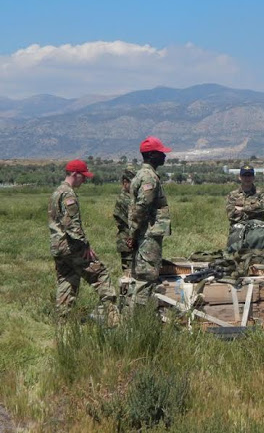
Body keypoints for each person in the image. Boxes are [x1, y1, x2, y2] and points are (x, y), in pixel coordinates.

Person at [47, 159, 118, 322]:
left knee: (67, 281)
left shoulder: (56, 192)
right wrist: (85, 245)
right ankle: (112, 317)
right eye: (83, 176)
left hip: (58, 247)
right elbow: (72, 224)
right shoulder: (68, 194)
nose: (84, 180)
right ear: (74, 174)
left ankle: (62, 322)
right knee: (100, 274)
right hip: (71, 246)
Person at [126, 137, 172, 307]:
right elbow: (142, 207)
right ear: (152, 155)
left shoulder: (143, 174)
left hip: (144, 233)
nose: (164, 156)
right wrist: (133, 233)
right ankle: (139, 318)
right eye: (161, 153)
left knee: (140, 275)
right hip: (148, 234)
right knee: (147, 277)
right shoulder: (149, 177)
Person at [225, 165, 264, 233]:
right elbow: (231, 215)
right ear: (240, 177)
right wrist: (254, 210)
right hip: (237, 231)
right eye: (244, 175)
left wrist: (242, 209)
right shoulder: (233, 195)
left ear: (253, 177)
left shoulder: (262, 193)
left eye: (249, 175)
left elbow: (263, 209)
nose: (247, 178)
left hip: (257, 231)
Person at [113, 166, 136, 277]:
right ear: (125, 182)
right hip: (127, 239)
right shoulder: (124, 198)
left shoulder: (130, 197)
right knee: (129, 272)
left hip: (130, 238)